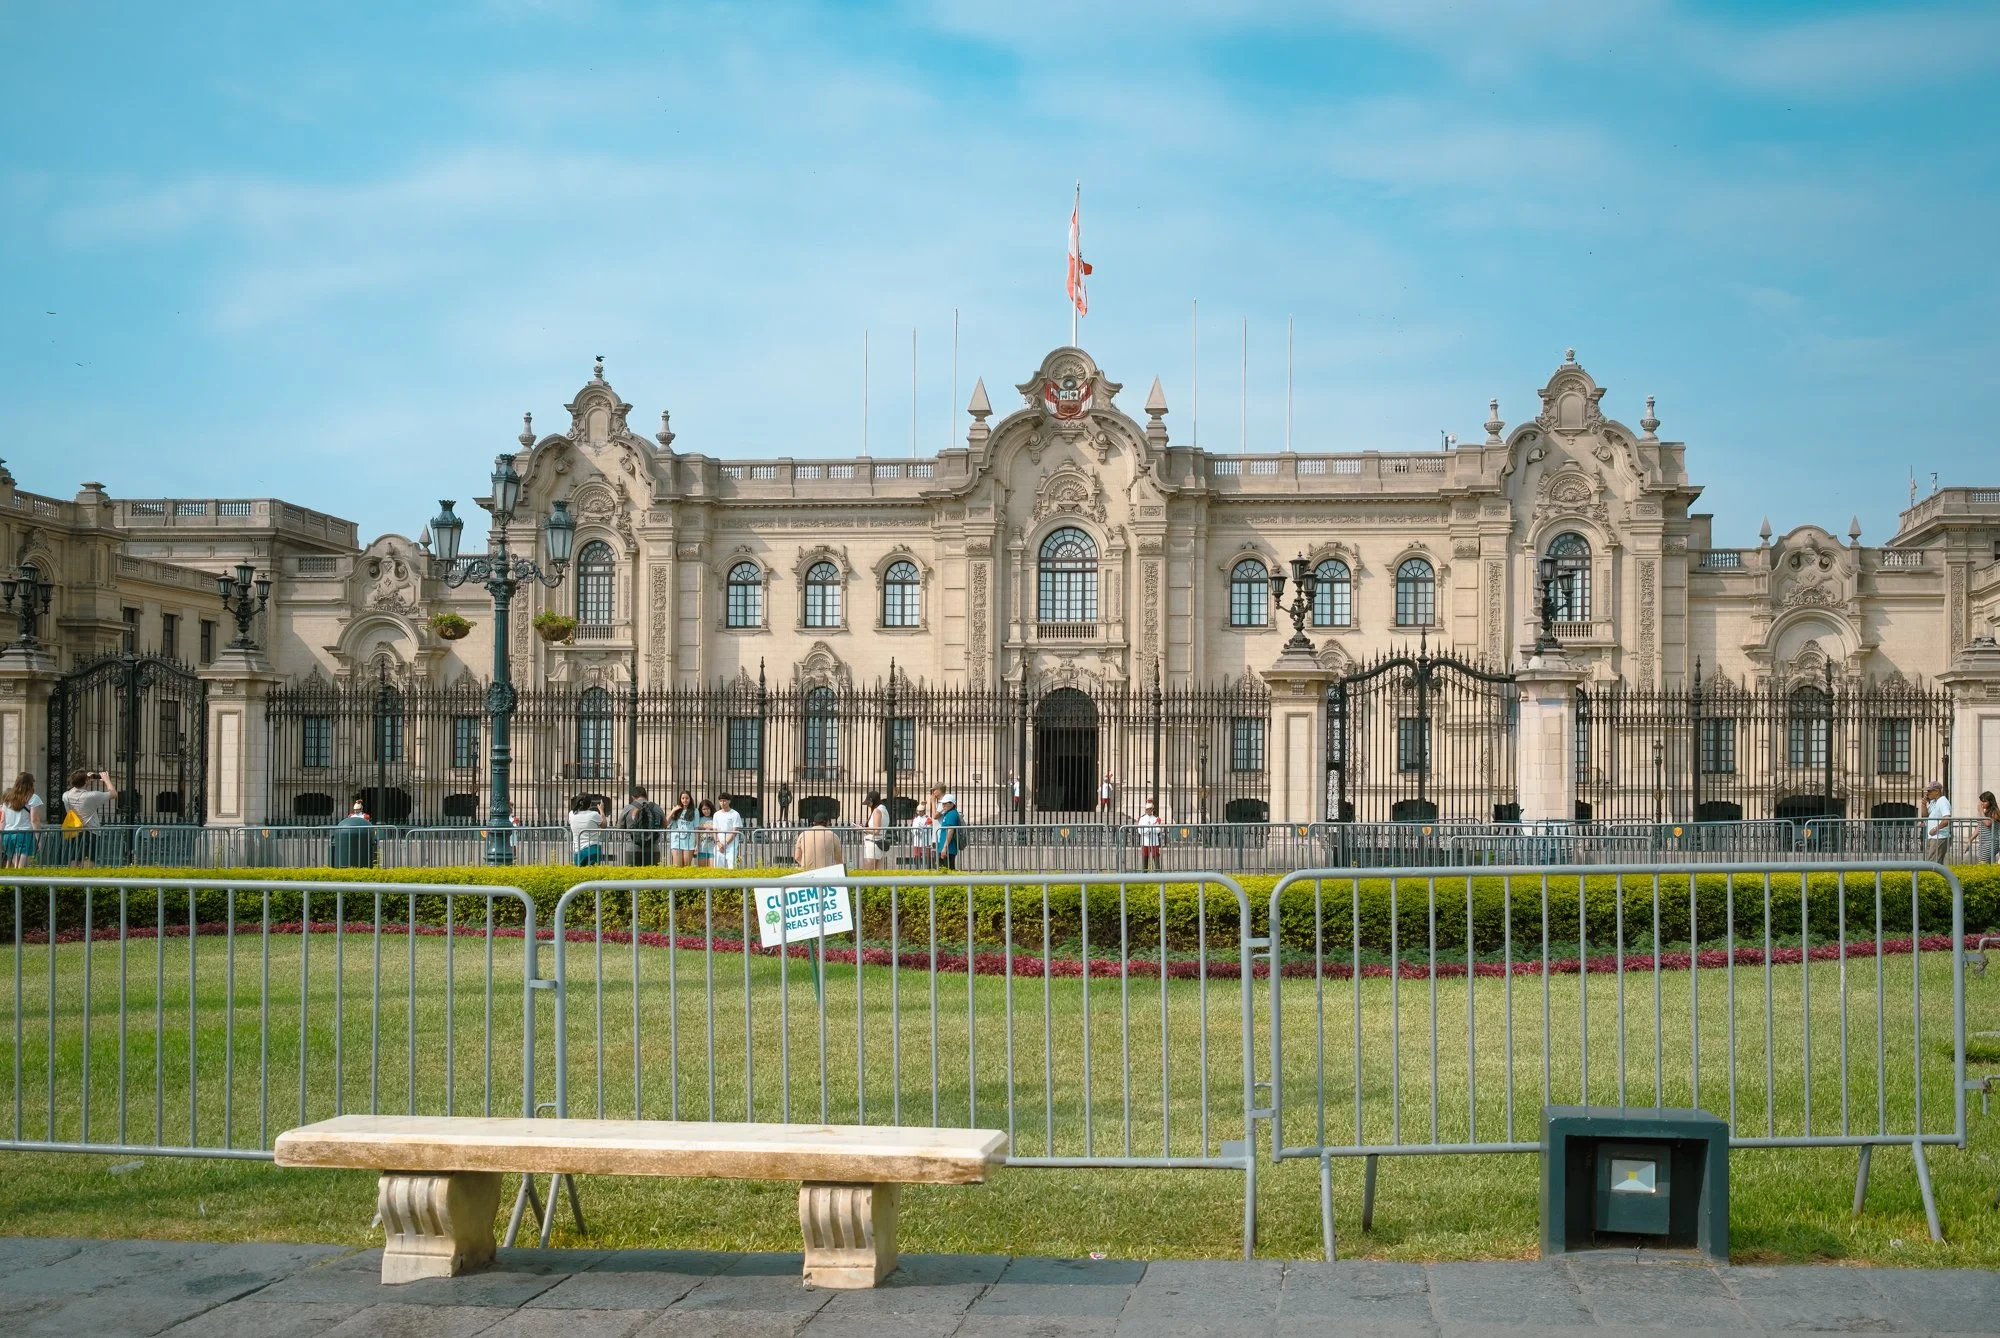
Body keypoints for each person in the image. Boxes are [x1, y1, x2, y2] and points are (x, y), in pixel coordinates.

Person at [60, 769, 117, 867]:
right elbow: (113, 794)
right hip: (90, 831)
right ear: (86, 781)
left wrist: (84, 780)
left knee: (74, 859)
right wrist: (106, 780)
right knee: (89, 859)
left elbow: (75, 787)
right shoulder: (91, 796)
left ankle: (71, 880)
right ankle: (87, 879)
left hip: (73, 830)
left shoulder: (65, 795)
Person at [1, 772, 43, 867]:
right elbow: (34, 820)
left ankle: (8, 881)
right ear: (30, 784)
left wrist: (1, 834)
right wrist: (38, 838)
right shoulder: (33, 798)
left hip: (8, 833)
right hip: (23, 833)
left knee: (11, 862)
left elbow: (3, 820)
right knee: (20, 866)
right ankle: (18, 881)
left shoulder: (8, 797)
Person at [622, 787, 664, 867]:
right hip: (653, 848)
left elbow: (619, 827)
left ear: (633, 797)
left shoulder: (628, 808)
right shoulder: (656, 807)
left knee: (631, 876)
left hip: (633, 847)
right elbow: (664, 824)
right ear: (646, 795)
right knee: (652, 876)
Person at [330, 798, 375, 869]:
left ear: (361, 809)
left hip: (362, 835)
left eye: (357, 809)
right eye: (355, 810)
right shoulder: (350, 816)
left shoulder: (365, 816)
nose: (356, 811)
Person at [570, 794, 606, 866]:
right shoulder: (594, 814)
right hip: (592, 848)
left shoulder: (571, 814)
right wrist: (601, 810)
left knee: (579, 874)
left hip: (577, 849)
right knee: (593, 874)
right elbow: (604, 825)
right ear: (589, 804)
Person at [667, 789, 699, 868]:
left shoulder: (695, 811)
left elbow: (696, 828)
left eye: (687, 798)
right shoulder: (676, 810)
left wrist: (697, 844)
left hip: (689, 841)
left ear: (690, 799)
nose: (685, 800)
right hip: (676, 841)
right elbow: (666, 822)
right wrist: (673, 811)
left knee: (686, 866)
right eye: (683, 798)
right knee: (677, 866)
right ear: (680, 799)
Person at [1923, 781, 1952, 865]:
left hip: (1939, 836)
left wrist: (1935, 829)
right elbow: (1925, 816)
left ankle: (1932, 878)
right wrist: (1923, 805)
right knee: (1933, 862)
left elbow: (1946, 819)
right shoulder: (1933, 802)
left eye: (1929, 791)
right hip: (1933, 837)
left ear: (1937, 791)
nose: (1927, 793)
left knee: (1933, 864)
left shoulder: (1943, 802)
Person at [711, 793, 743, 870]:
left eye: (724, 801)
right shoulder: (716, 814)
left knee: (731, 866)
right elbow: (715, 830)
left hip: (731, 845)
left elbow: (734, 831)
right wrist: (718, 843)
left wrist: (725, 843)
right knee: (718, 866)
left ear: (729, 801)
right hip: (719, 845)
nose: (723, 803)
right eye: (721, 801)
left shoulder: (735, 814)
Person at [934, 793, 963, 871]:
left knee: (947, 871)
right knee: (944, 871)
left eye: (945, 803)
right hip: (946, 848)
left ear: (952, 804)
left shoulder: (951, 814)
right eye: (943, 803)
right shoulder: (948, 813)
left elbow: (950, 831)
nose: (943, 805)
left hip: (948, 849)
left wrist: (945, 848)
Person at [861, 789, 889, 870]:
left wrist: (863, 829)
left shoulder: (877, 811)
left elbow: (876, 830)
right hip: (879, 843)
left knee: (867, 874)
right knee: (878, 874)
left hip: (873, 844)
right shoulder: (884, 810)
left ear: (872, 800)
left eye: (868, 803)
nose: (868, 805)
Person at [1136, 797, 1163, 872]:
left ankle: (1157, 870)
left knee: (1156, 856)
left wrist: (1151, 830)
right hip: (1145, 840)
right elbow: (1139, 830)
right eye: (1147, 809)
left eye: (1149, 809)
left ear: (1152, 810)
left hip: (1154, 841)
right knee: (1145, 856)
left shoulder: (1155, 819)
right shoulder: (1142, 819)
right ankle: (1144, 871)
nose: (1148, 811)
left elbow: (1158, 829)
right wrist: (1146, 830)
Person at [909, 793, 932, 870]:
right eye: (918, 811)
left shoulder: (928, 819)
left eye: (921, 811)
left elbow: (929, 828)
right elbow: (912, 828)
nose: (919, 813)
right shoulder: (915, 819)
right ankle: (917, 869)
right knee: (917, 856)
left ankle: (928, 869)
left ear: (924, 811)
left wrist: (922, 829)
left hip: (925, 840)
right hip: (917, 840)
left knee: (927, 856)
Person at [694, 798, 718, 867]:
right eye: (704, 809)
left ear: (711, 808)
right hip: (701, 847)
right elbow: (696, 831)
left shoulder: (715, 818)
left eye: (707, 809)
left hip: (712, 847)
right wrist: (696, 845)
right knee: (702, 868)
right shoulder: (699, 819)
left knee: (712, 868)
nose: (706, 811)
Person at [1978, 791, 1999, 863]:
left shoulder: (1995, 811)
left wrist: (1981, 812)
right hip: (1983, 841)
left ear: (1990, 801)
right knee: (1986, 863)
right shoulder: (1985, 812)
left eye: (1985, 801)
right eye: (1981, 801)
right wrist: (1970, 839)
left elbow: (1988, 823)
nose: (1982, 803)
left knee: (1982, 863)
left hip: (1992, 840)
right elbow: (1980, 827)